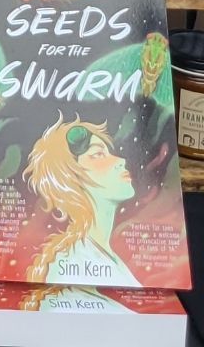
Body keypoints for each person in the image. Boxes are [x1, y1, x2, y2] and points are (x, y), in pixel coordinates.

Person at [23, 118, 138, 285]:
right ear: (72, 178)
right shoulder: (70, 262)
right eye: (98, 154)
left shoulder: (106, 256)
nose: (121, 161)